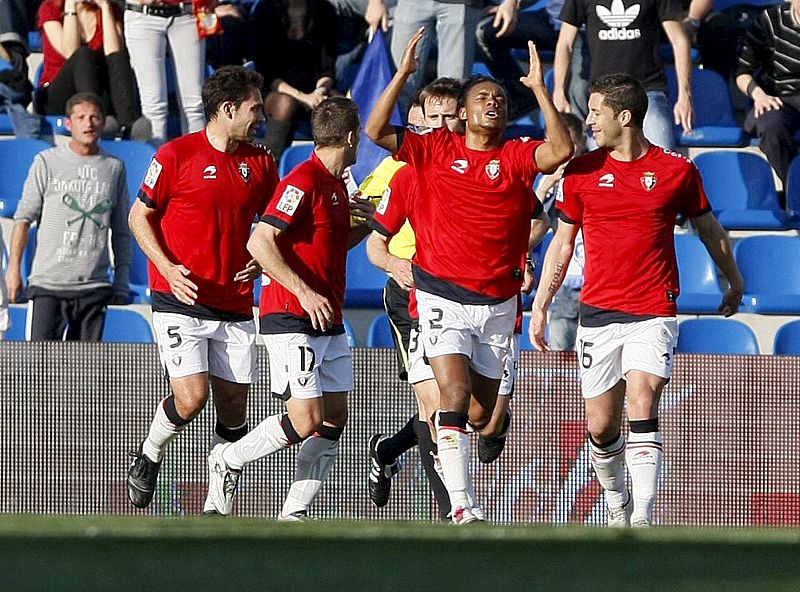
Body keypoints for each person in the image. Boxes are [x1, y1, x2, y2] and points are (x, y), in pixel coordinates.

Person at [366, 30, 573, 524]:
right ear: (462, 112)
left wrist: (541, 90)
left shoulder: (517, 156)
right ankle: (462, 504)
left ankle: (453, 470)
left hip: (499, 303)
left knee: (480, 416)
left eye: (501, 99)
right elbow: (375, 130)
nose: (494, 105)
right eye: (483, 98)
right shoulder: (434, 149)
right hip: (441, 295)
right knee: (452, 397)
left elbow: (561, 149)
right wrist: (401, 76)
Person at [530, 73, 744, 527]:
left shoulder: (676, 170)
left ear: (623, 117)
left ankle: (643, 519)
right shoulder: (583, 172)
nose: (588, 120)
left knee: (643, 400)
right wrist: (542, 304)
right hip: (599, 314)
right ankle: (617, 500)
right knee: (601, 427)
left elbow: (708, 230)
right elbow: (562, 245)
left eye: (595, 112)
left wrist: (735, 281)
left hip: (654, 309)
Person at [205, 96, 375, 520]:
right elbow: (259, 241)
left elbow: (332, 245)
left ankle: (294, 512)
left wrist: (369, 223)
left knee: (333, 418)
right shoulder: (302, 181)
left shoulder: (337, 185)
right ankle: (228, 458)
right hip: (291, 315)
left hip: (327, 317)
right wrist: (303, 291)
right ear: (351, 137)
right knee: (305, 419)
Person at [125, 66, 279, 511]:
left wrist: (261, 256)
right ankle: (150, 452)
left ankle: (217, 503)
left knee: (233, 409)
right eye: (254, 108)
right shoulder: (176, 155)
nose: (261, 116)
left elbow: (274, 225)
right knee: (191, 398)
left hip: (233, 301)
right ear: (227, 109)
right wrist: (168, 268)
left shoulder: (261, 161)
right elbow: (140, 217)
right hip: (180, 296)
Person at [362, 77, 462, 519]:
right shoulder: (396, 169)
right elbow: (361, 220)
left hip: (463, 292)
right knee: (436, 402)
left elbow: (532, 217)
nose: (439, 127)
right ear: (417, 120)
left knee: (468, 407)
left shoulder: (472, 163)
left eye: (447, 117)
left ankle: (387, 449)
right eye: (430, 118)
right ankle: (449, 508)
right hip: (410, 293)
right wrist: (392, 264)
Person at [5, 92, 131, 341]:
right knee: (39, 370)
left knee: (84, 373)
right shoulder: (46, 162)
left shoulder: (114, 167)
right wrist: (14, 270)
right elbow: (23, 219)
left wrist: (122, 279)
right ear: (68, 123)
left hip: (94, 288)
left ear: (103, 122)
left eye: (95, 117)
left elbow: (121, 230)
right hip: (48, 286)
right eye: (81, 117)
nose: (89, 123)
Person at [553, 0, 694, 150]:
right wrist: (559, 91)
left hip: (647, 91)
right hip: (603, 96)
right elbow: (565, 44)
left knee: (663, 159)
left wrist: (685, 96)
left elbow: (680, 41)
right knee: (599, 166)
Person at [37, 0, 148, 139]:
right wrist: (70, 6)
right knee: (84, 54)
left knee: (119, 57)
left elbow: (114, 53)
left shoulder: (112, 9)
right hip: (59, 94)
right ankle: (95, 117)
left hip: (100, 90)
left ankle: (129, 124)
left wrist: (106, 8)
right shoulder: (50, 8)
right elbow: (70, 52)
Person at [250, 0, 339, 159]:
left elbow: (328, 68)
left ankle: (338, 166)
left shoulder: (324, 10)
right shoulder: (265, 11)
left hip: (314, 88)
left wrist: (318, 92)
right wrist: (301, 96)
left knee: (340, 106)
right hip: (277, 89)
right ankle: (270, 163)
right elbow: (266, 72)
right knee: (284, 104)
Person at [476, 0, 590, 121]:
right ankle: (523, 96)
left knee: (577, 99)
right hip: (551, 20)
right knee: (485, 32)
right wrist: (512, 4)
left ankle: (579, 135)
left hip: (582, 29)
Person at [535, 111, 588, 351]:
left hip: (594, 282)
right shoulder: (545, 178)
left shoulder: (591, 174)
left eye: (572, 144)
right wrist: (548, 184)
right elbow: (531, 216)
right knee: (558, 350)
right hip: (564, 283)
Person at [735, 0, 800, 190]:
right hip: (778, 98)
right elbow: (741, 71)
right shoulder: (770, 21)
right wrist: (759, 95)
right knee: (771, 126)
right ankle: (795, 190)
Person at [124, 0, 206, 144]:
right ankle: (158, 162)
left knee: (195, 104)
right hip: (142, 14)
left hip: (186, 13)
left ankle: (198, 162)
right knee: (153, 106)